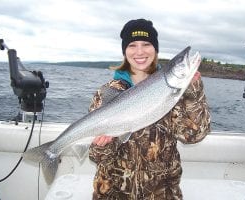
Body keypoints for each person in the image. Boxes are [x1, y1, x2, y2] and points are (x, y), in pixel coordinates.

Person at [88, 18, 211, 200]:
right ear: (125, 51)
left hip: (161, 194)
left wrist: (193, 93)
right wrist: (104, 145)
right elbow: (96, 157)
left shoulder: (177, 90)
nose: (140, 51)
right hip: (114, 193)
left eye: (146, 44)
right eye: (132, 45)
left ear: (155, 49)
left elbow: (193, 136)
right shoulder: (106, 92)